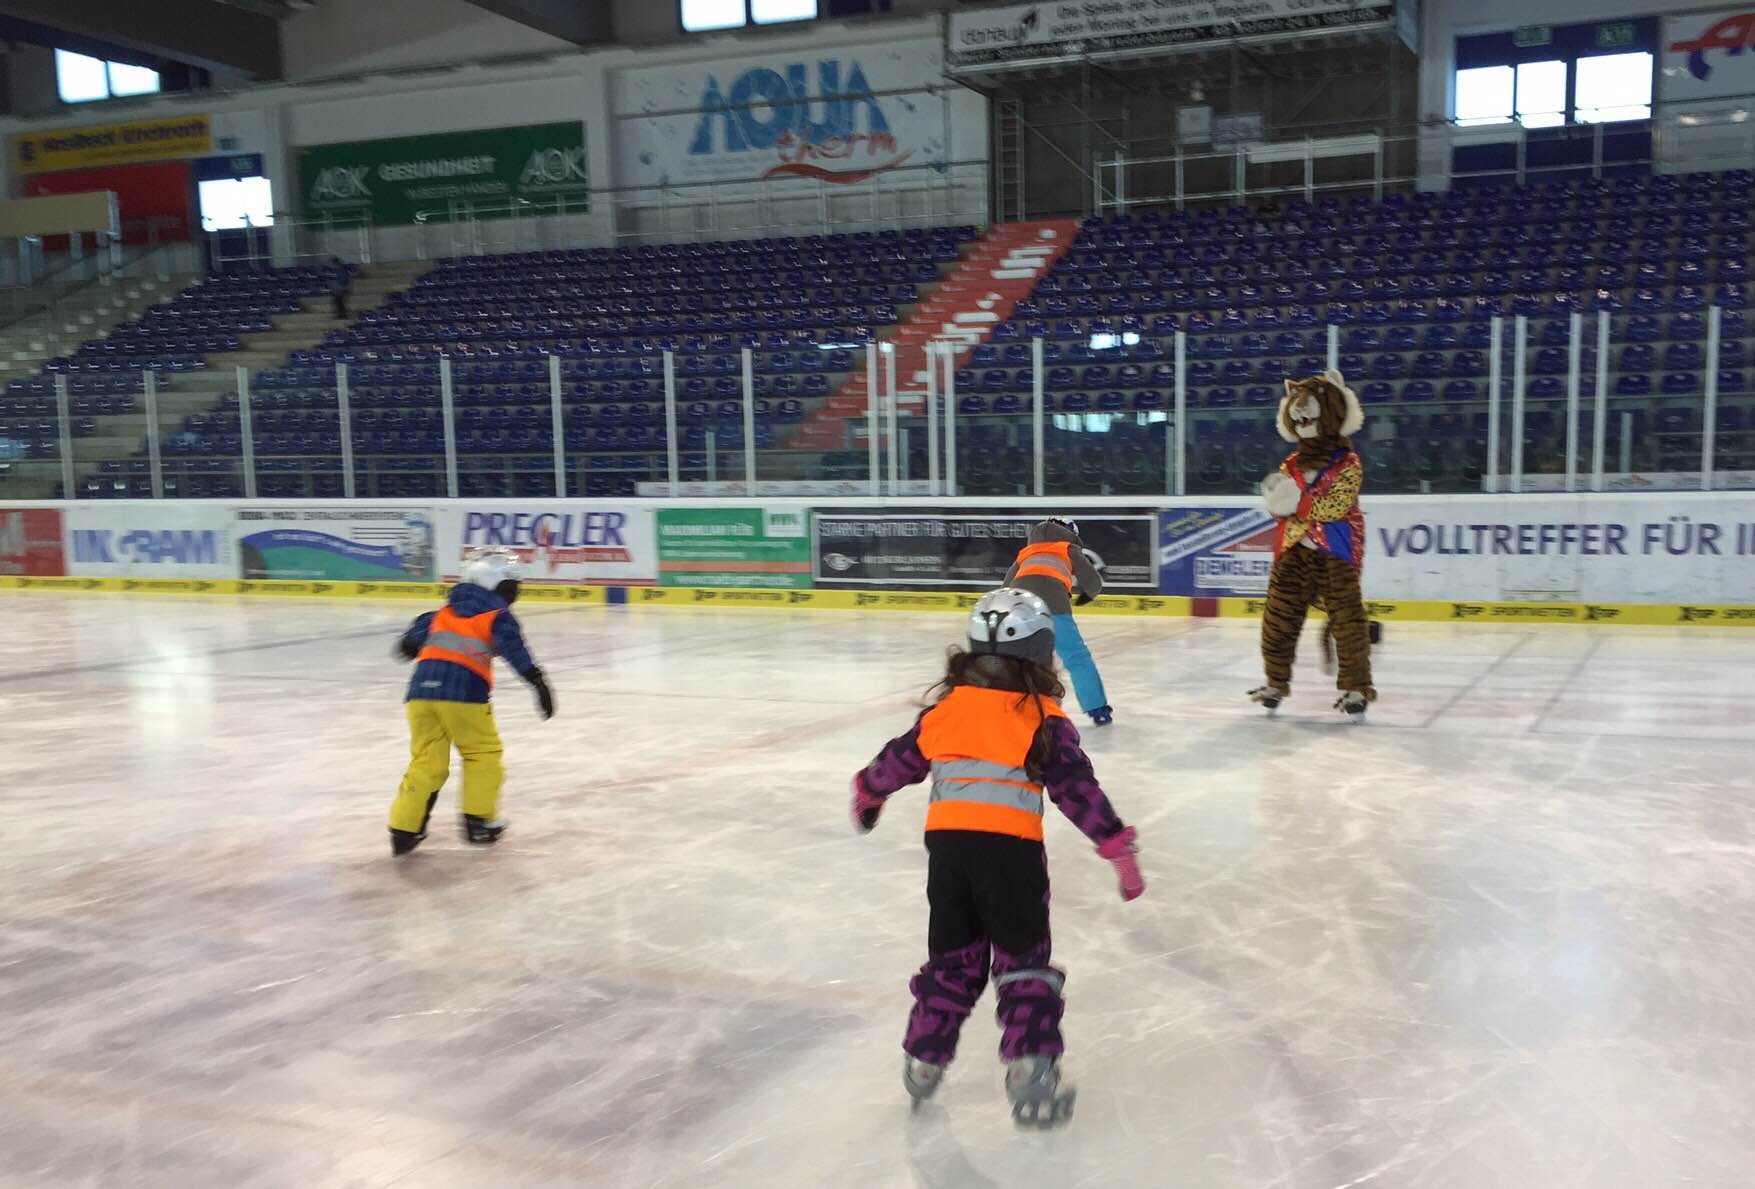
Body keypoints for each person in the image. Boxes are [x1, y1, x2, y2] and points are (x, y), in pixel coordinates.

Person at [849, 588, 1144, 1127]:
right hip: (1012, 856)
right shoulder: (1042, 719)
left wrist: (868, 794)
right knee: (1022, 962)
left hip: (949, 855)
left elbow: (894, 762)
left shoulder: (945, 711)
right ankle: (1030, 1067)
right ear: (1039, 653)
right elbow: (1077, 792)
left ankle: (923, 1059)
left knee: (953, 961)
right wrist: (1116, 847)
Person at [387, 547, 555, 854]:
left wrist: (413, 644)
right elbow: (515, 651)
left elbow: (409, 644)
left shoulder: (440, 614)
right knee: (482, 753)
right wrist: (538, 682)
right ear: (496, 585)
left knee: (426, 761)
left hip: (420, 695)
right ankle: (478, 822)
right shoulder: (497, 616)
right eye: (511, 587)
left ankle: (403, 829)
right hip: (465, 692)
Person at [1003, 517, 1113, 725]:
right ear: (1071, 533)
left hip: (1020, 605)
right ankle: (1097, 708)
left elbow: (1006, 585)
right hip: (1053, 604)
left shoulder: (1027, 552)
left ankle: (1016, 708)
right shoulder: (1068, 548)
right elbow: (1093, 580)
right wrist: (1088, 595)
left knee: (1023, 660)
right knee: (1076, 656)